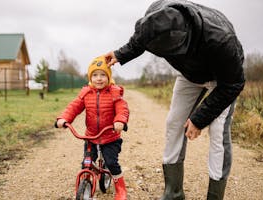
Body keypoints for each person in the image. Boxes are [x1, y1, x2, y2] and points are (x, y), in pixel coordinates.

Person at [104, 0, 245, 199]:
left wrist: (199, 119)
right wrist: (121, 54)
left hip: (220, 79)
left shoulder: (221, 39)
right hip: (188, 75)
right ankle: (174, 192)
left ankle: (215, 196)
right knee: (173, 123)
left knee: (217, 134)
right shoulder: (154, 16)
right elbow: (140, 39)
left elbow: (233, 84)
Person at [55, 56, 129, 200]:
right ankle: (88, 181)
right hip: (91, 137)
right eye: (95, 75)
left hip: (110, 136)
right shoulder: (86, 93)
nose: (99, 79)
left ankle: (120, 189)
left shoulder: (114, 93)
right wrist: (64, 119)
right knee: (86, 162)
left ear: (108, 77)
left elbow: (122, 109)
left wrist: (120, 121)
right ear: (90, 77)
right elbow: (74, 107)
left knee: (111, 162)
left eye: (103, 75)